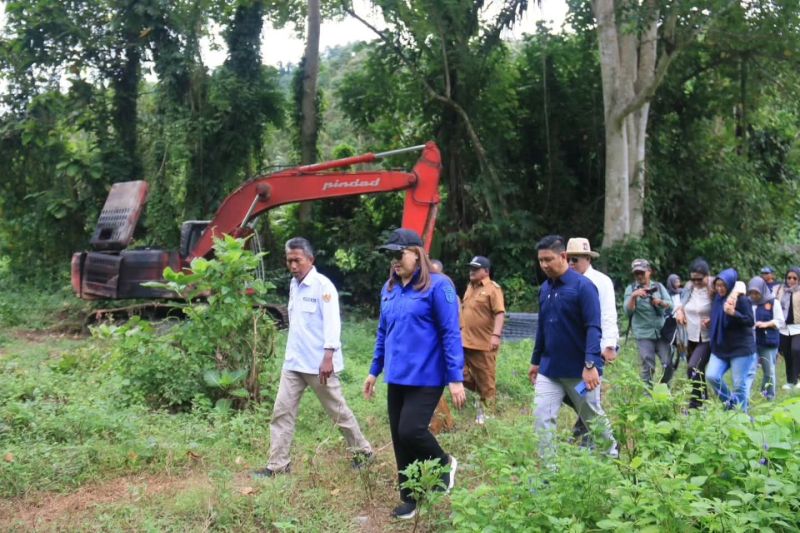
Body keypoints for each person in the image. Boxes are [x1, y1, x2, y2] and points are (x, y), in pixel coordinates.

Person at [363, 228, 466, 520]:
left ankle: (444, 464)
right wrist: (373, 371)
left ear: (417, 253)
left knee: (411, 430)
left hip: (427, 376)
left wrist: (455, 377)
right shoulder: (390, 288)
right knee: (399, 436)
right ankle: (410, 497)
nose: (395, 261)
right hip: (396, 376)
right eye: (391, 256)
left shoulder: (438, 286)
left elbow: (450, 333)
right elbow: (383, 332)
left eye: (400, 254)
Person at [254, 238, 372, 478]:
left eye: (297, 260)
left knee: (337, 411)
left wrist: (328, 356)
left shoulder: (322, 286)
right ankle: (278, 465)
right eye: (289, 261)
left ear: (310, 259)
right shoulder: (294, 285)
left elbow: (332, 323)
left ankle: (363, 451)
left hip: (319, 365)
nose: (293, 265)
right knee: (281, 412)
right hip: (294, 362)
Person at [529, 235, 617, 461]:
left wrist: (590, 364)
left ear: (564, 257)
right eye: (541, 261)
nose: (545, 265)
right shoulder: (544, 289)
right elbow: (542, 327)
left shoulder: (583, 287)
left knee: (592, 416)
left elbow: (593, 327)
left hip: (580, 373)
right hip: (549, 371)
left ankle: (611, 457)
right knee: (542, 418)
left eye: (549, 259)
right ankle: (549, 472)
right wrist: (535, 361)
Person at [461, 255, 505, 424]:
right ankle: (482, 396)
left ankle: (488, 418)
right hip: (464, 342)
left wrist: (495, 336)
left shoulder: (493, 289)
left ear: (486, 271)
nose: (471, 271)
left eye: (476, 268)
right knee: (459, 373)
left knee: (486, 381)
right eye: (470, 268)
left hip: (483, 344)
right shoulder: (470, 287)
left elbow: (500, 313)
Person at [705, 269, 757, 411]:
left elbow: (750, 321)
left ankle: (742, 418)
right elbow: (719, 316)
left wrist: (734, 313)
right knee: (711, 376)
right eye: (718, 285)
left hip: (740, 349)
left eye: (723, 285)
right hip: (721, 348)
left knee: (739, 385)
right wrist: (712, 321)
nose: (720, 288)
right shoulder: (717, 299)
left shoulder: (741, 300)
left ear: (730, 285)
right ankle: (732, 405)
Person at [623, 259, 674, 386]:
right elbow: (627, 312)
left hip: (661, 332)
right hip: (643, 333)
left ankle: (665, 390)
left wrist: (660, 302)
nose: (639, 276)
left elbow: (671, 306)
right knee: (648, 366)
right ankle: (648, 396)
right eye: (636, 273)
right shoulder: (631, 289)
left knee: (667, 363)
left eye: (642, 272)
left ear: (649, 272)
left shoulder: (659, 287)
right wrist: (634, 297)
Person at [674, 259, 714, 409]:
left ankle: (694, 404)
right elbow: (680, 303)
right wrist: (679, 311)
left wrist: (713, 318)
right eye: (693, 278)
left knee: (693, 367)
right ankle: (703, 401)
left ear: (707, 275)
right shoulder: (689, 288)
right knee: (696, 371)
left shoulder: (714, 287)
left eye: (700, 278)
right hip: (690, 336)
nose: (696, 281)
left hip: (707, 337)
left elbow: (738, 285)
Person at [748, 276, 784, 400]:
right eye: (751, 292)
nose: (754, 295)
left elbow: (780, 321)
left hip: (768, 342)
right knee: (750, 370)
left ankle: (769, 396)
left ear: (762, 290)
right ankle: (745, 396)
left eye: (756, 293)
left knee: (769, 371)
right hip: (752, 341)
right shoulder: (749, 303)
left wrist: (766, 324)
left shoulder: (773, 302)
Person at [777, 267, 800, 390]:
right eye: (789, 278)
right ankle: (790, 380)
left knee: (796, 350)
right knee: (787, 353)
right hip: (784, 327)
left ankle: (797, 379)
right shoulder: (781, 290)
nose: (791, 280)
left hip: (798, 327)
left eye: (794, 278)